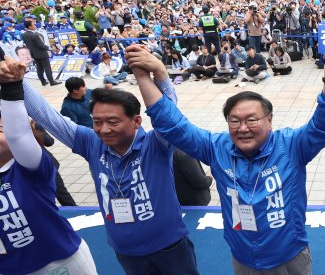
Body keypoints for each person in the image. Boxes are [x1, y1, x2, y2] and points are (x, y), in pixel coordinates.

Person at [126, 43, 325, 275]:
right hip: (243, 259)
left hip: (289, 256)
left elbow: (324, 125)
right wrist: (152, 75)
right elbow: (173, 125)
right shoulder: (216, 148)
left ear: (269, 120)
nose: (242, 128)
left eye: (251, 120)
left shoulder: (291, 145)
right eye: (234, 121)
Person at [0, 57, 200, 274]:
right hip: (126, 251)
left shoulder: (156, 144)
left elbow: (169, 118)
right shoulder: (91, 143)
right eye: (97, 122)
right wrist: (16, 81)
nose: (104, 129)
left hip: (169, 246)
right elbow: (48, 117)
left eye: (113, 122)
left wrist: (160, 75)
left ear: (136, 121)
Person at [0, 63, 98, 275]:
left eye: (1, 127)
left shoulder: (28, 168)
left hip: (60, 261)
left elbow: (18, 135)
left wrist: (10, 85)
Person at [22, 20, 60, 86]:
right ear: (30, 26)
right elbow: (41, 45)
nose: (35, 26)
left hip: (34, 54)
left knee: (39, 68)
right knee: (47, 68)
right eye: (33, 25)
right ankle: (52, 82)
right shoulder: (35, 35)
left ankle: (43, 82)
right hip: (42, 54)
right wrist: (49, 48)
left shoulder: (24, 34)